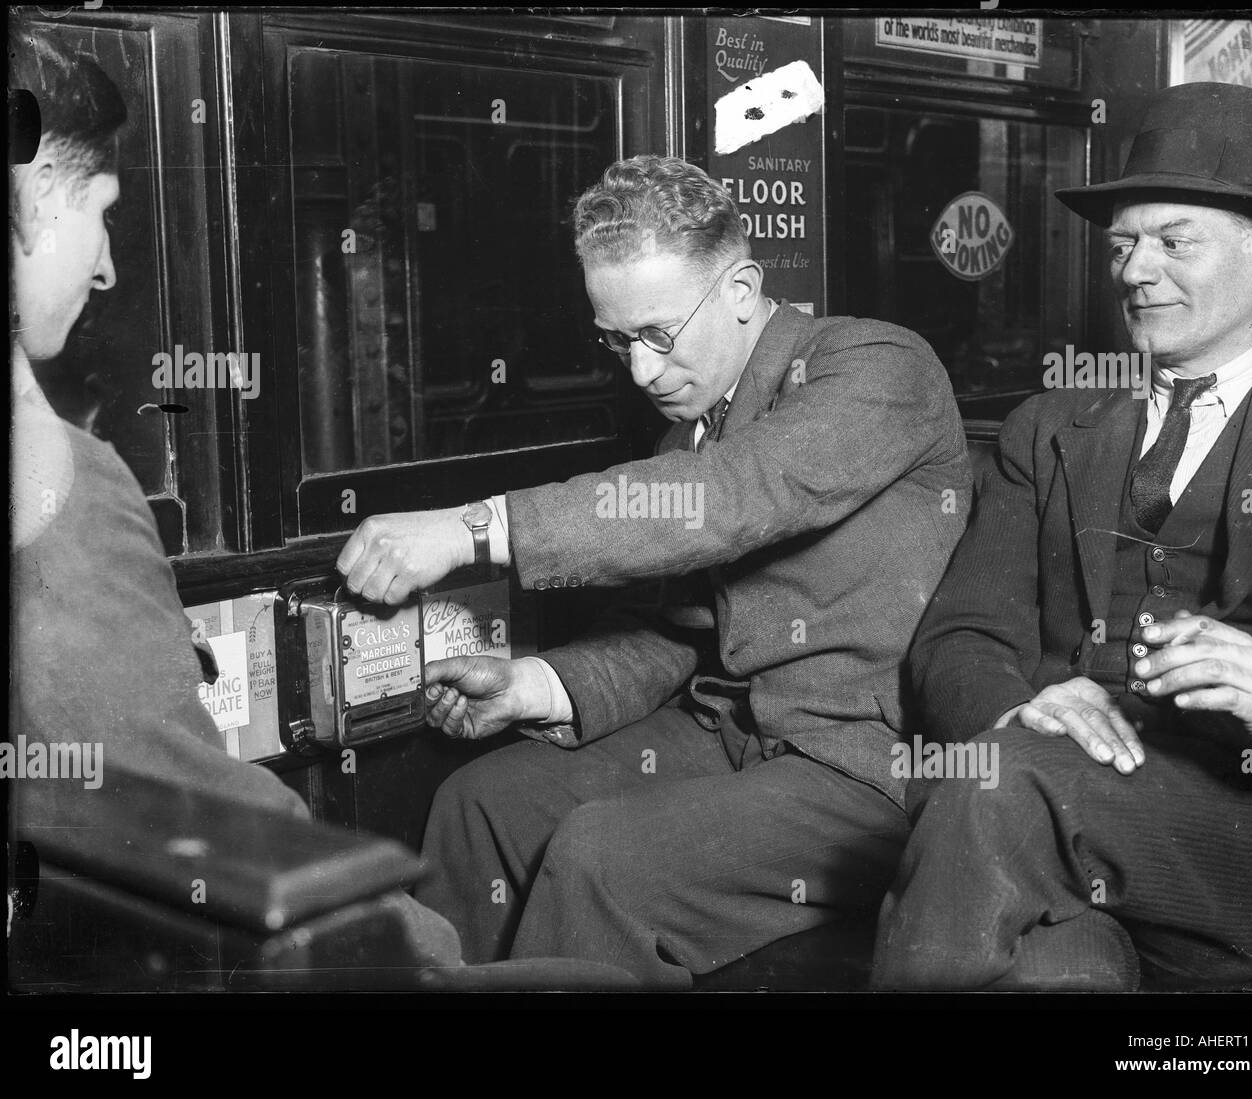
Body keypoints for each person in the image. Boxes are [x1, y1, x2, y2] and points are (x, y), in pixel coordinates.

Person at [336, 154, 972, 987]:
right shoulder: (690, 429)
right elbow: (675, 633)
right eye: (617, 339)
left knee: (603, 857)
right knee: (482, 802)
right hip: (735, 735)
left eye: (659, 335)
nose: (640, 371)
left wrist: (470, 529)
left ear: (741, 291)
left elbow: (728, 496)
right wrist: (537, 684)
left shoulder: (876, 366)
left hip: (862, 766)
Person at [7, 25, 466, 972]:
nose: (107, 269)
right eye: (101, 212)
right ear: (36, 192)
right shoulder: (57, 480)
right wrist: (419, 947)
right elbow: (167, 806)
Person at [870, 82, 1252, 991]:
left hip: (1246, 847)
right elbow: (960, 637)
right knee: (1052, 974)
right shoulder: (1047, 427)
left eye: (1175, 241)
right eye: (1124, 245)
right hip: (1053, 829)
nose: (1137, 271)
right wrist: (1016, 711)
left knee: (989, 789)